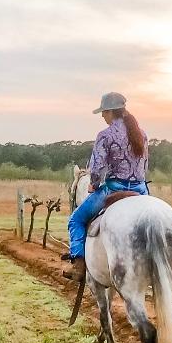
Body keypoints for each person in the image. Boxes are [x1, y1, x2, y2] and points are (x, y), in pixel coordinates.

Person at [62, 92, 150, 282]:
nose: (102, 116)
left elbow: (97, 167)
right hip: (141, 190)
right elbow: (145, 165)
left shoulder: (105, 135)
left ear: (111, 112)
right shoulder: (142, 134)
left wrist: (93, 185)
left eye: (104, 112)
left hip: (114, 189)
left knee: (76, 220)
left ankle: (78, 265)